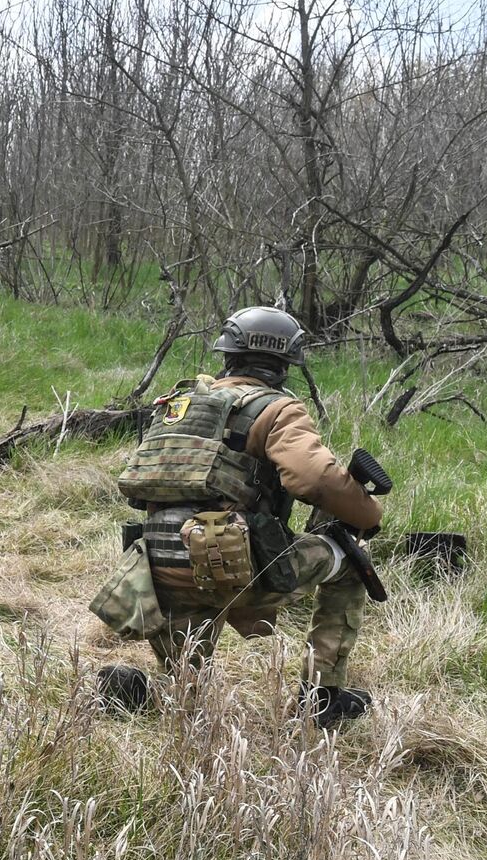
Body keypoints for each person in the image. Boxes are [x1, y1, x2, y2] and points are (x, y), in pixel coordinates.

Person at [89, 306, 385, 727]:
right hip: (233, 561)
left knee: (185, 696)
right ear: (285, 365)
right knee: (350, 560)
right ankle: (322, 697)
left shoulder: (177, 404)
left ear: (227, 355)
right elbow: (314, 478)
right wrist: (368, 513)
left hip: (158, 565)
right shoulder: (277, 408)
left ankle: (136, 692)